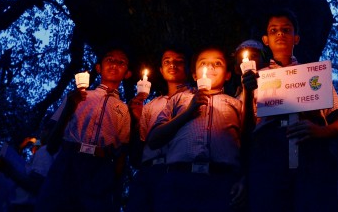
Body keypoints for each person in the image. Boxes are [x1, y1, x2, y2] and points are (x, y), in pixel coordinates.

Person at [247, 8, 338, 212]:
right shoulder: (255, 81)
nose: (280, 34)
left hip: (313, 163)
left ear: (296, 38)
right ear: (265, 39)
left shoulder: (315, 77)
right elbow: (245, 129)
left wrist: (319, 131)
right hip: (269, 164)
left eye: (286, 30)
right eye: (274, 30)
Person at [147, 46, 245, 212]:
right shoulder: (179, 99)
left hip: (221, 181)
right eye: (203, 63)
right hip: (179, 180)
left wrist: (243, 179)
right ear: (194, 75)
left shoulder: (236, 104)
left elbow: (247, 144)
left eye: (218, 63)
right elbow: (154, 140)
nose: (210, 67)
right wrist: (188, 112)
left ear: (228, 75)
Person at [35, 47, 132, 212]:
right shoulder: (78, 97)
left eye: (121, 62)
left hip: (100, 169)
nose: (115, 64)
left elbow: (121, 154)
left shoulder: (124, 110)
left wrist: (115, 188)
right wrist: (69, 108)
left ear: (127, 73)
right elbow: (51, 143)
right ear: (99, 67)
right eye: (110, 59)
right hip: (69, 162)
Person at [125, 46, 191, 212]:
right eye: (167, 62)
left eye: (179, 62)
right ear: (161, 70)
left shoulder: (197, 101)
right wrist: (136, 120)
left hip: (180, 172)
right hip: (148, 173)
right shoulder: (151, 106)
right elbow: (136, 155)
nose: (172, 65)